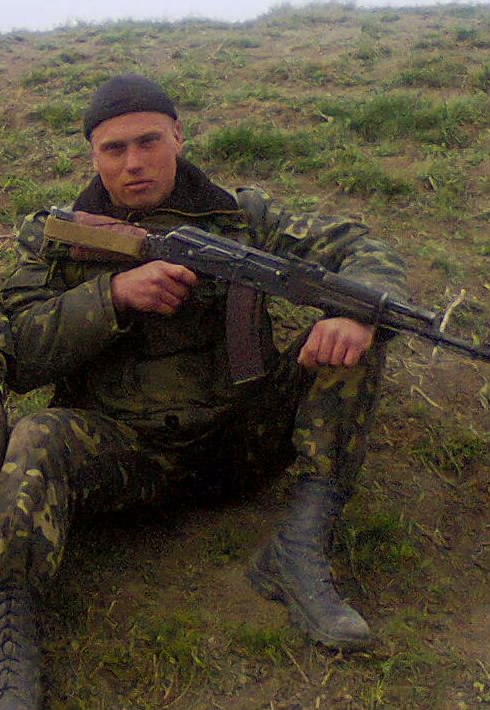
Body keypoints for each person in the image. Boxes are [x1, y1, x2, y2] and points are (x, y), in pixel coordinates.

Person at [0, 74, 407, 708]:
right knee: (35, 436)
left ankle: (299, 545)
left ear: (178, 137)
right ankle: (12, 627)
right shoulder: (56, 235)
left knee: (352, 340)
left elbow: (359, 245)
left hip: (242, 438)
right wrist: (111, 297)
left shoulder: (243, 217)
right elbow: (17, 350)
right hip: (123, 453)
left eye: (149, 141)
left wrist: (355, 312)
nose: (134, 163)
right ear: (93, 156)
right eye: (114, 149)